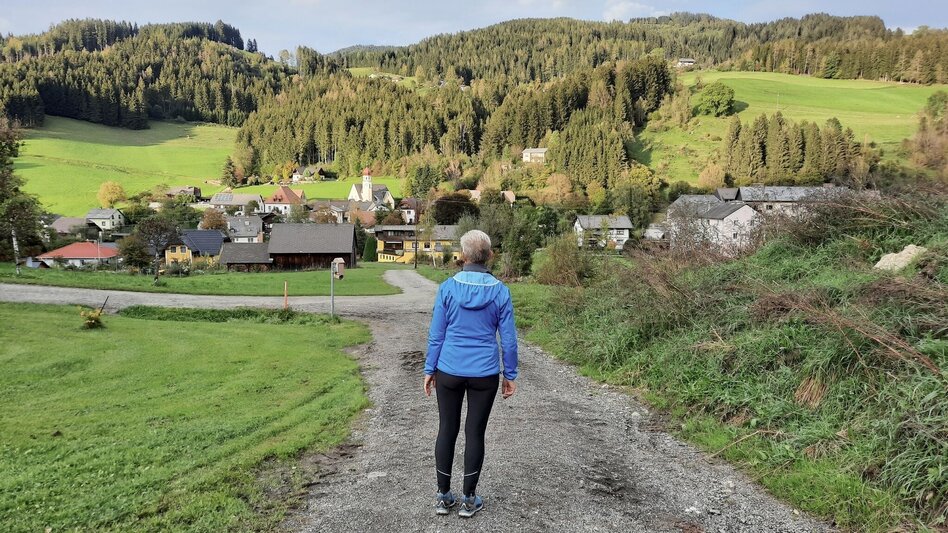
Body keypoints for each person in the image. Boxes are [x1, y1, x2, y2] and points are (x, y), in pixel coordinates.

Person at [423, 229, 518, 518]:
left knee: (446, 429)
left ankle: (442, 497)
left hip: (449, 369)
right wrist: (510, 374)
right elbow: (509, 339)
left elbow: (436, 335)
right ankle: (468, 499)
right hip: (484, 373)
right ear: (490, 255)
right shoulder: (500, 291)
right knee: (474, 432)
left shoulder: (447, 288)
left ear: (463, 256)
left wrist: (430, 368)